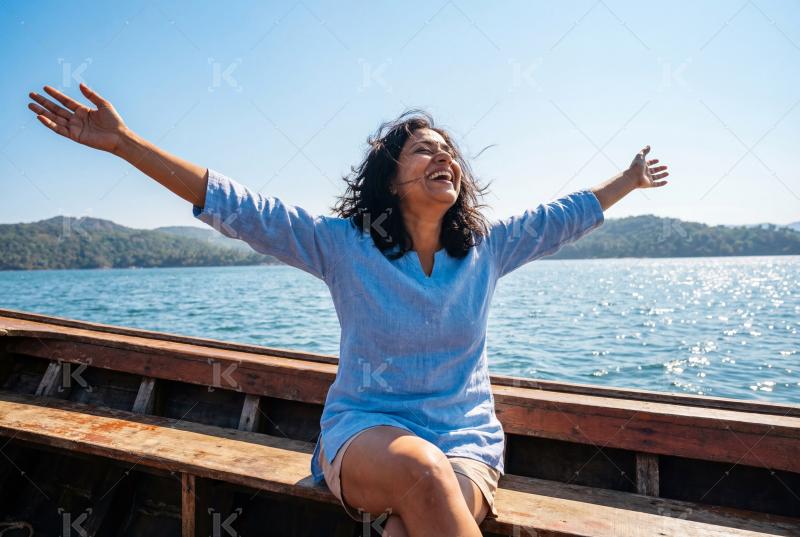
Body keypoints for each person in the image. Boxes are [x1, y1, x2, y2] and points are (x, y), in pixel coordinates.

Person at [27, 83, 670, 537]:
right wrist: (124, 143)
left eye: (449, 151)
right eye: (424, 149)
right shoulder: (344, 245)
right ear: (391, 178)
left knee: (409, 524)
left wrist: (629, 180)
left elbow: (565, 217)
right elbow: (236, 203)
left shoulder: (489, 249)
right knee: (419, 475)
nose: (443, 155)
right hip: (368, 434)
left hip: (466, 442)